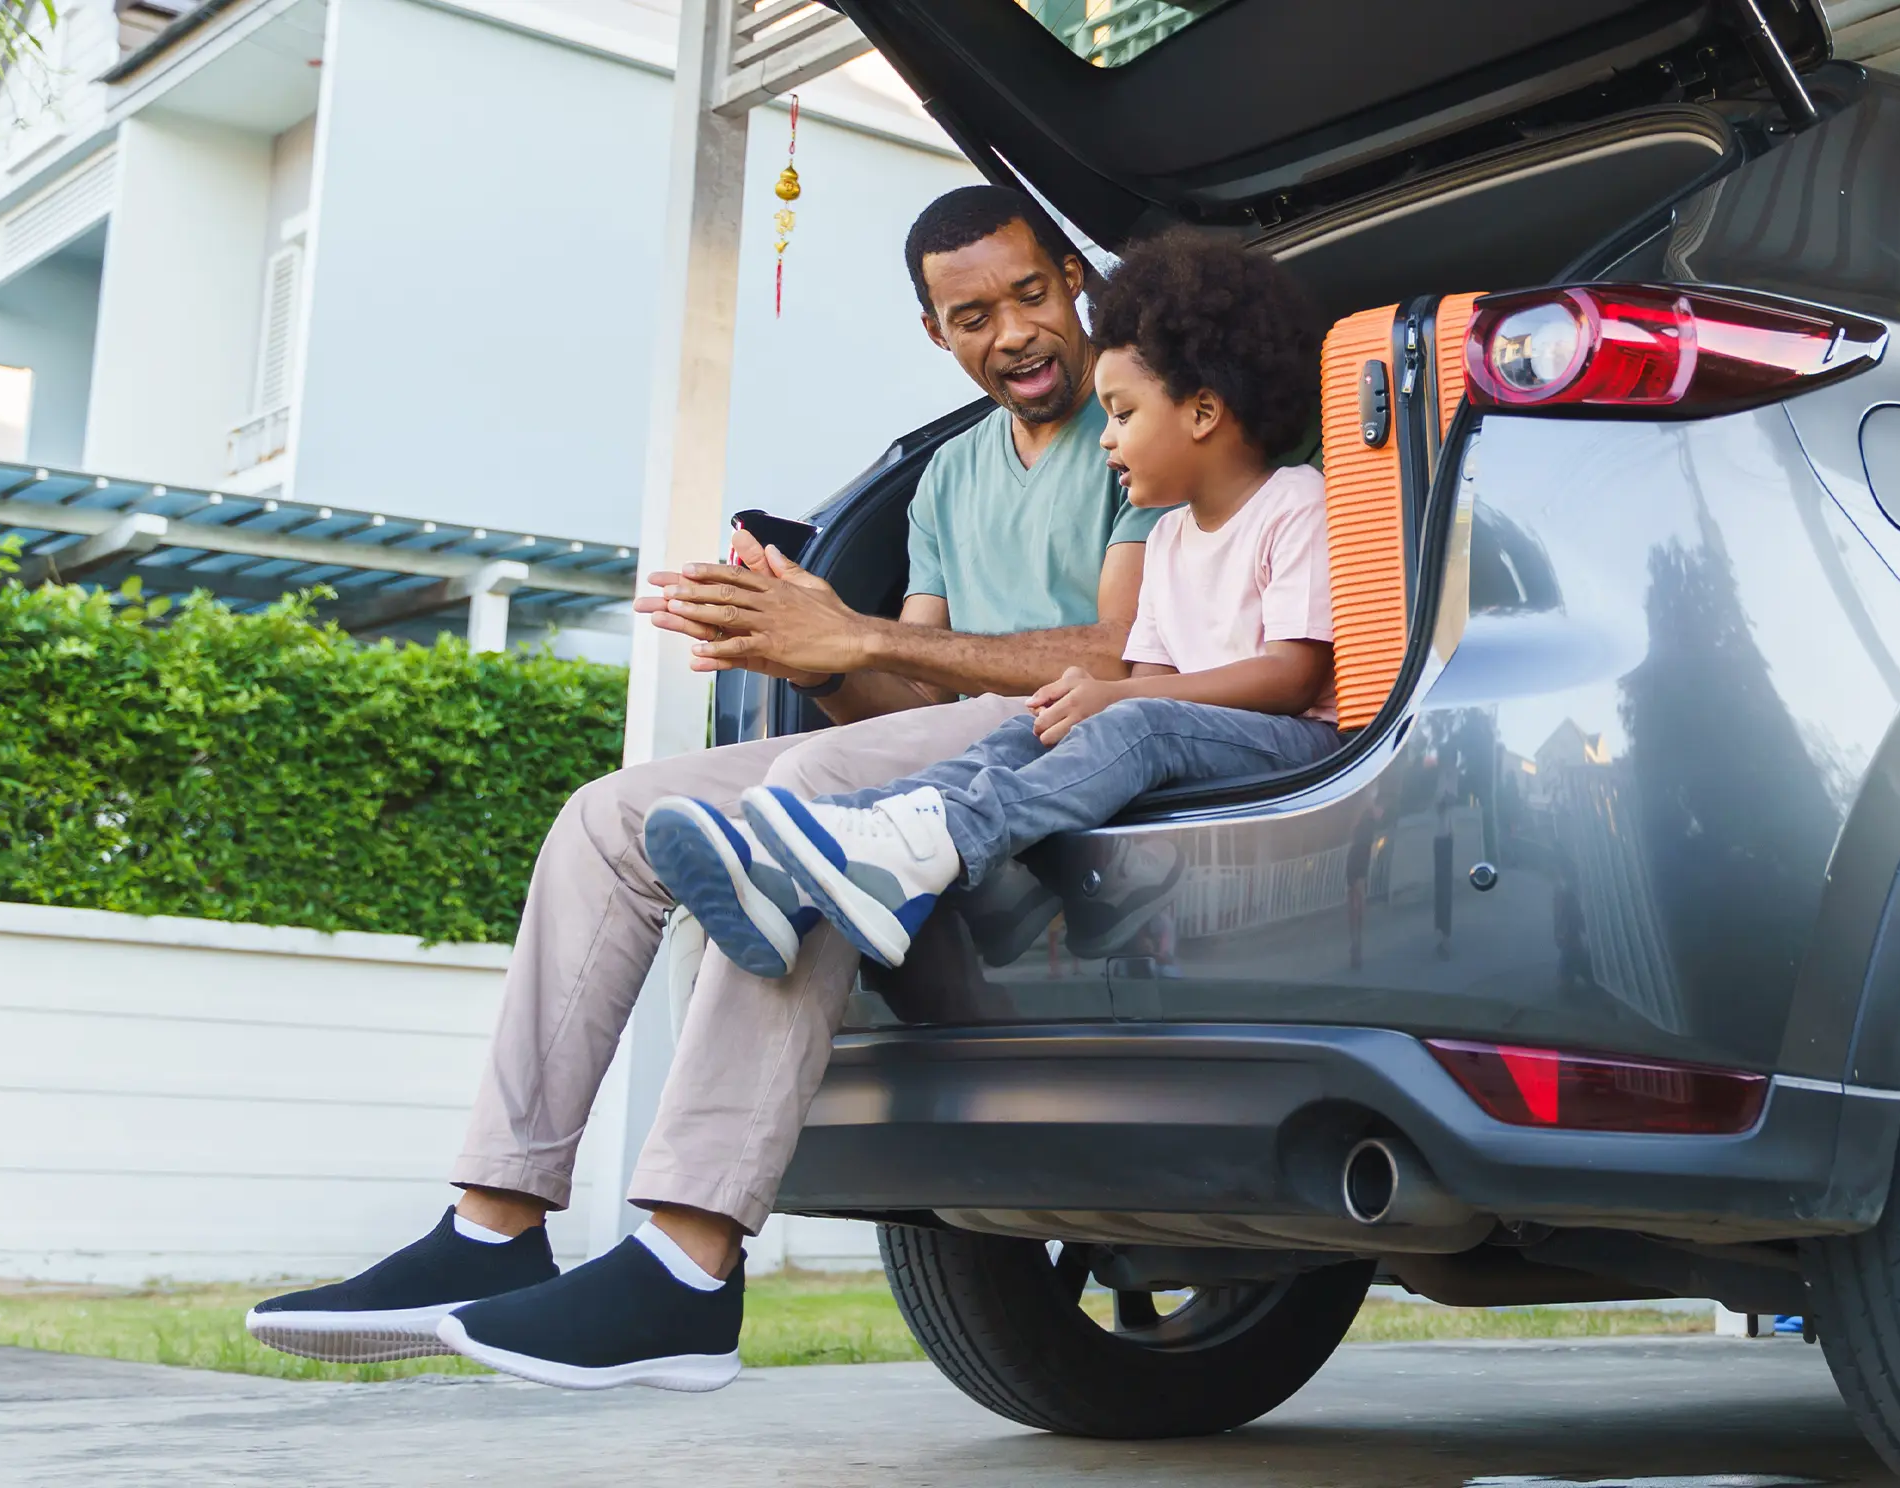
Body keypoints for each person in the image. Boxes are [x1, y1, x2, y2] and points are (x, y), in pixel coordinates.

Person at [241, 184, 1162, 1392]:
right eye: (972, 316)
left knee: (803, 792)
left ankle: (688, 1256)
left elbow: (1122, 657)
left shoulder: (1139, 422)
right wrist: (815, 653)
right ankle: (493, 1222)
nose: (1013, 334)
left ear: (1074, 280)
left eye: (1031, 295)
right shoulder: (946, 478)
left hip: (1072, 734)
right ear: (933, 331)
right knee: (606, 816)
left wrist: (863, 635)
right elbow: (905, 710)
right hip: (947, 751)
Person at [654, 234, 1335, 981]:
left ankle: (938, 847)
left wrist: (1124, 700)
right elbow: (1150, 679)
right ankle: (833, 852)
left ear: (1202, 412)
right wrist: (1090, 700)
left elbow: (1292, 678)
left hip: (1290, 742)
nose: (1105, 439)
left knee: (1135, 723)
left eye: (1122, 414)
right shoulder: (1170, 536)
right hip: (1184, 736)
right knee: (1031, 726)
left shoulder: (1296, 502)